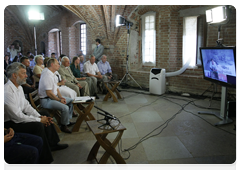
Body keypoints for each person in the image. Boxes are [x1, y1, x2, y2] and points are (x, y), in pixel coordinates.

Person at [4, 62, 67, 170]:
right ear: (14, 75)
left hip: (18, 117)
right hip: (10, 123)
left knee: (45, 114)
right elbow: (17, 116)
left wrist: (39, 117)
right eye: (23, 73)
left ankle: (52, 143)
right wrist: (39, 120)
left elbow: (26, 106)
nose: (27, 76)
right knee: (37, 126)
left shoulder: (18, 87)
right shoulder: (6, 91)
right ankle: (44, 163)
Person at [38, 58, 75, 134]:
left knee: (70, 100)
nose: (59, 65)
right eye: (57, 63)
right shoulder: (47, 75)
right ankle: (63, 126)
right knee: (65, 108)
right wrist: (59, 100)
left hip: (53, 98)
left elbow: (56, 88)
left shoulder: (53, 73)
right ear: (52, 65)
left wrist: (61, 97)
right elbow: (49, 93)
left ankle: (67, 120)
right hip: (46, 100)